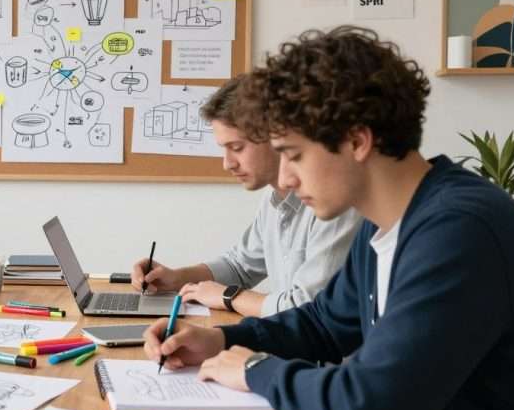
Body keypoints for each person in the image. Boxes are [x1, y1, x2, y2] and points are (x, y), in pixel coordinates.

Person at [144, 26, 514, 410]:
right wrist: (222, 340)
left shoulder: (459, 232)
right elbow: (323, 324)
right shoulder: (385, 225)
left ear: (357, 140)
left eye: (293, 155)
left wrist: (256, 369)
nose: (284, 179)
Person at [130, 76, 362, 316]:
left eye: (237, 148)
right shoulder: (274, 200)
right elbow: (240, 266)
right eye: (224, 149)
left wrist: (229, 296)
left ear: (277, 136)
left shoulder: (334, 204)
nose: (227, 163)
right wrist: (175, 277)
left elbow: (307, 307)